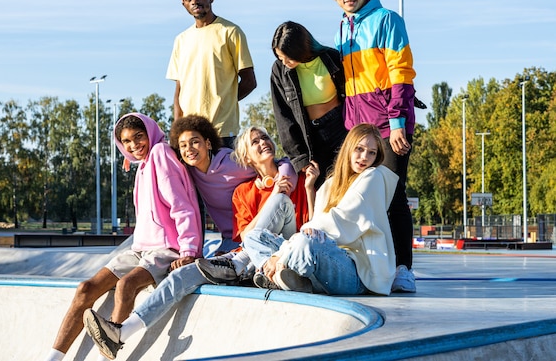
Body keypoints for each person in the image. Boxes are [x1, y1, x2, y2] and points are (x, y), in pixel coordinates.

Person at [82, 127, 319, 360]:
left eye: (265, 138)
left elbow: (309, 224)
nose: (262, 143)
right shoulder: (242, 192)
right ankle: (121, 333)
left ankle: (239, 266)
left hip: (286, 247)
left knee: (279, 200)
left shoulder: (293, 176)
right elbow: (245, 235)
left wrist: (307, 188)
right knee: (181, 275)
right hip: (248, 253)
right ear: (246, 158)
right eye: (255, 142)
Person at [43, 113, 202, 361]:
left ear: (149, 133)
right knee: (86, 289)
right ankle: (52, 358)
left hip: (167, 249)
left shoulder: (160, 153)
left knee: (126, 285)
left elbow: (181, 206)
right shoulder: (143, 166)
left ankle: (109, 353)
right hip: (140, 249)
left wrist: (189, 251)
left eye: (139, 137)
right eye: (126, 142)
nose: (133, 145)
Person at [326, 0, 417, 292]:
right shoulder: (342, 31)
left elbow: (401, 73)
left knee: (392, 196)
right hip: (358, 129)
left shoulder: (387, 20)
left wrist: (397, 123)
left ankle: (404, 269)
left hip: (388, 127)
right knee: (358, 196)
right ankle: (369, 265)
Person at [248, 123, 398, 296]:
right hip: (323, 262)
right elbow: (315, 226)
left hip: (355, 274)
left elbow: (339, 221)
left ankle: (276, 273)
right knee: (255, 236)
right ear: (348, 148)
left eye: (372, 152)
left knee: (306, 243)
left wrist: (282, 254)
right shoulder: (330, 184)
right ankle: (289, 278)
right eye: (359, 148)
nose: (364, 157)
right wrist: (309, 189)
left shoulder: (373, 177)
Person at [169, 115, 295, 255]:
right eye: (183, 146)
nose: (189, 149)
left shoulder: (231, 163)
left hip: (257, 228)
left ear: (208, 144)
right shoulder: (189, 172)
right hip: (229, 238)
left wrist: (275, 182)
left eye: (195, 142)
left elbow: (278, 162)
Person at [167, 0, 257, 149]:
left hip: (222, 133)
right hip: (190, 134)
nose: (194, 1)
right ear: (184, 4)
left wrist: (226, 103)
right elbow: (179, 91)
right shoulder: (181, 40)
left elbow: (249, 81)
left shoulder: (231, 32)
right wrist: (176, 132)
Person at [270, 21, 347, 189]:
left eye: (288, 57)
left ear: (300, 48)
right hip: (310, 138)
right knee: (321, 193)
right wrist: (300, 158)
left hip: (340, 130)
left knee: (346, 188)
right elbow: (283, 118)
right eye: (280, 57)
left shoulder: (332, 58)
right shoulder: (278, 71)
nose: (284, 62)